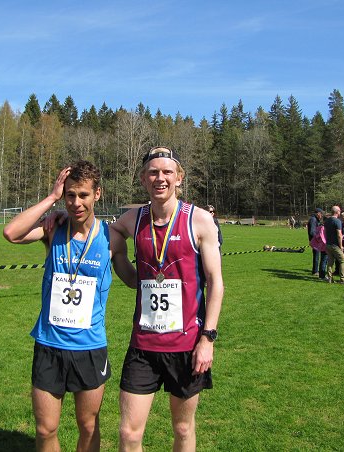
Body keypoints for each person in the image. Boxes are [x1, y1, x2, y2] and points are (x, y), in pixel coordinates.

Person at [3, 160, 136, 451]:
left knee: (88, 427)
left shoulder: (111, 238)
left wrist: (167, 273)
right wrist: (51, 198)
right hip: (49, 344)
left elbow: (132, 280)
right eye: (70, 195)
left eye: (83, 195)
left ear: (97, 194)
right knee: (45, 428)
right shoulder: (54, 228)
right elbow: (11, 233)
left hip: (89, 347)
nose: (76, 202)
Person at [109, 146, 224, 451]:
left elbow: (215, 282)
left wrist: (208, 338)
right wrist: (123, 265)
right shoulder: (134, 219)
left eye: (167, 172)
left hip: (186, 346)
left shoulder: (199, 221)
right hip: (143, 346)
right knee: (129, 434)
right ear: (143, 180)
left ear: (179, 178)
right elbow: (110, 233)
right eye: (153, 172)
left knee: (183, 428)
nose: (160, 178)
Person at [324, 205, 344, 285]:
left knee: (330, 262)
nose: (340, 212)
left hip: (328, 244)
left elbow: (324, 232)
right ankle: (342, 279)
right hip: (335, 245)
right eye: (339, 211)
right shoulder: (337, 221)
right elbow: (339, 234)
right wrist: (341, 245)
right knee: (343, 261)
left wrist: (327, 240)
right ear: (337, 212)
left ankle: (330, 278)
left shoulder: (327, 221)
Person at [307, 208, 324, 275]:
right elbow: (312, 232)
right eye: (321, 214)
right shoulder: (313, 220)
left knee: (317, 255)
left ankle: (316, 270)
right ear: (318, 213)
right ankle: (315, 271)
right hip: (315, 241)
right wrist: (318, 238)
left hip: (316, 240)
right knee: (316, 256)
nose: (321, 215)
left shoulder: (315, 219)